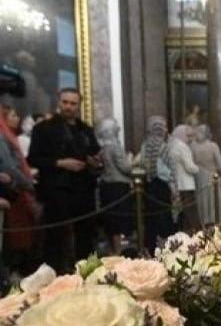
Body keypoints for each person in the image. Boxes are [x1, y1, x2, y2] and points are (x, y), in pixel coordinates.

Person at [27, 89, 102, 272]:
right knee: (55, 239)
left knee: (85, 237)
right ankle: (55, 277)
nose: (68, 107)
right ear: (59, 102)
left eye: (73, 103)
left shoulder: (86, 129)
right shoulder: (43, 128)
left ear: (79, 106)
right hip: (56, 191)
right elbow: (33, 159)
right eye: (65, 102)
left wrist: (95, 162)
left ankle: (87, 275)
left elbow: (95, 155)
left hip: (83, 190)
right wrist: (60, 163)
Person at [0, 103, 38, 274]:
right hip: (12, 191)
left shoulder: (8, 136)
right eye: (12, 115)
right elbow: (9, 167)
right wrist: (27, 183)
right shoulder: (3, 136)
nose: (17, 119)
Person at [136, 116, 176, 253]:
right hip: (163, 186)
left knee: (151, 218)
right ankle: (166, 248)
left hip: (149, 185)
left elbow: (142, 163)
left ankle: (151, 248)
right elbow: (172, 168)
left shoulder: (145, 146)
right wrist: (175, 187)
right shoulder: (165, 147)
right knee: (164, 217)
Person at [96, 118, 133, 255]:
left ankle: (113, 251)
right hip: (118, 187)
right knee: (119, 222)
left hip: (107, 187)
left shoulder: (103, 148)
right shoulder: (115, 148)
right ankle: (119, 251)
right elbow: (125, 168)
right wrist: (131, 159)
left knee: (111, 222)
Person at [190, 124, 221, 226]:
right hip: (212, 177)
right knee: (211, 201)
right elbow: (220, 164)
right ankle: (214, 222)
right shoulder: (213, 146)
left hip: (199, 177)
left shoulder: (192, 146)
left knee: (203, 201)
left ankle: (204, 223)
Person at [169, 124, 200, 233]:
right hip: (186, 184)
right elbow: (190, 167)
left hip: (177, 183)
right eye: (188, 136)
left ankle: (185, 233)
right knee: (191, 214)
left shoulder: (172, 145)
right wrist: (198, 168)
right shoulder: (183, 147)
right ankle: (193, 234)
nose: (190, 139)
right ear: (182, 135)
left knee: (183, 213)